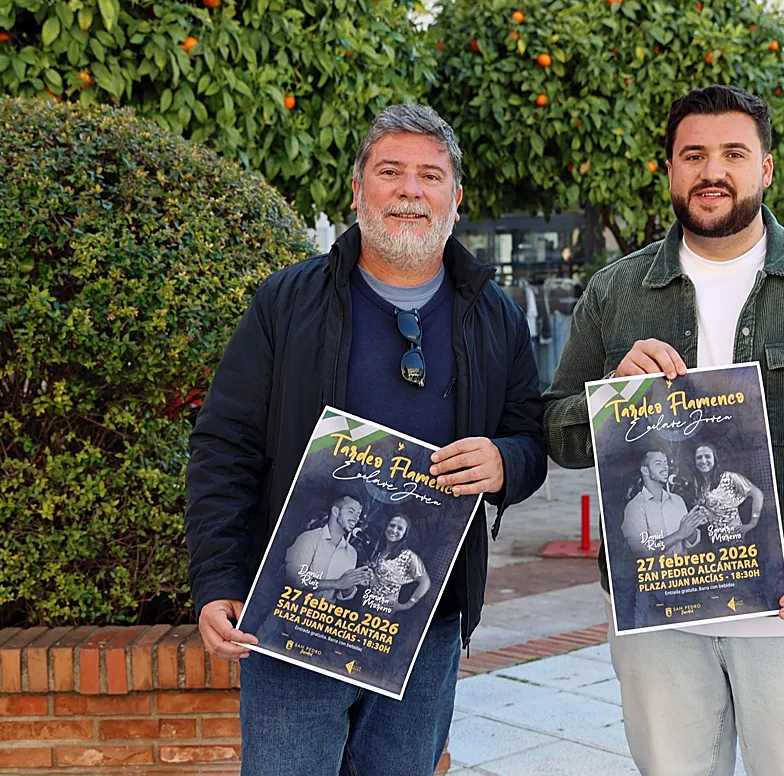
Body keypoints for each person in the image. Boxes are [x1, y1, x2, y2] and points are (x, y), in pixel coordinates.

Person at [543, 85, 784, 776]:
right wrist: (612, 396)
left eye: (733, 154)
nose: (712, 171)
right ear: (669, 169)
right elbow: (559, 435)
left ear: (766, 168)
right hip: (660, 614)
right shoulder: (615, 294)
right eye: (693, 155)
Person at [185, 104, 547, 776]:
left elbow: (530, 437)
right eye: (390, 172)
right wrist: (217, 580)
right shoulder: (286, 303)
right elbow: (224, 448)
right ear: (358, 191)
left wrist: (504, 462)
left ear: (456, 198)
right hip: (295, 614)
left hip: (425, 623)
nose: (410, 190)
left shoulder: (493, 314)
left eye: (430, 175)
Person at [621, 449, 707, 558]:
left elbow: (690, 542)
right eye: (658, 463)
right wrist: (679, 534)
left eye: (665, 463)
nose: (665, 467)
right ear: (645, 470)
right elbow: (641, 550)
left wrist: (693, 525)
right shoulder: (634, 507)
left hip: (684, 566)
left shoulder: (678, 500)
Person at [283, 493, 369, 602]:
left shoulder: (352, 553)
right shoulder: (309, 538)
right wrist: (337, 583)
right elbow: (294, 579)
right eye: (351, 512)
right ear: (335, 511)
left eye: (358, 514)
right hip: (292, 609)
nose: (356, 518)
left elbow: (341, 594)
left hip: (324, 612)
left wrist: (354, 581)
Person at [690, 443, 763, 543]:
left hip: (734, 540)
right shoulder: (700, 486)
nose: (703, 461)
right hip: (715, 541)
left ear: (714, 459)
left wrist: (752, 523)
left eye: (707, 456)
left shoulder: (728, 478)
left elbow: (758, 494)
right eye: (699, 457)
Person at [360, 514, 431, 614]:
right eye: (392, 525)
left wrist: (407, 605)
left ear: (405, 533)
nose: (394, 530)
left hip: (382, 611)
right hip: (364, 604)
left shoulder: (408, 556)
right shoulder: (378, 549)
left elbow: (425, 582)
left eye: (400, 528)